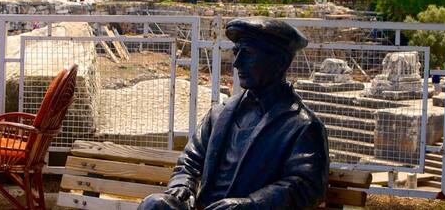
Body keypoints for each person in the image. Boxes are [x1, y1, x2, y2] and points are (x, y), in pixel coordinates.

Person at [140, 17, 329, 210]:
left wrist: (251, 205)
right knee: (155, 205)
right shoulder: (220, 113)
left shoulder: (302, 126)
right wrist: (183, 183)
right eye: (236, 53)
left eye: (247, 53)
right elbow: (191, 159)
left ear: (280, 62)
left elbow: (308, 186)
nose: (237, 63)